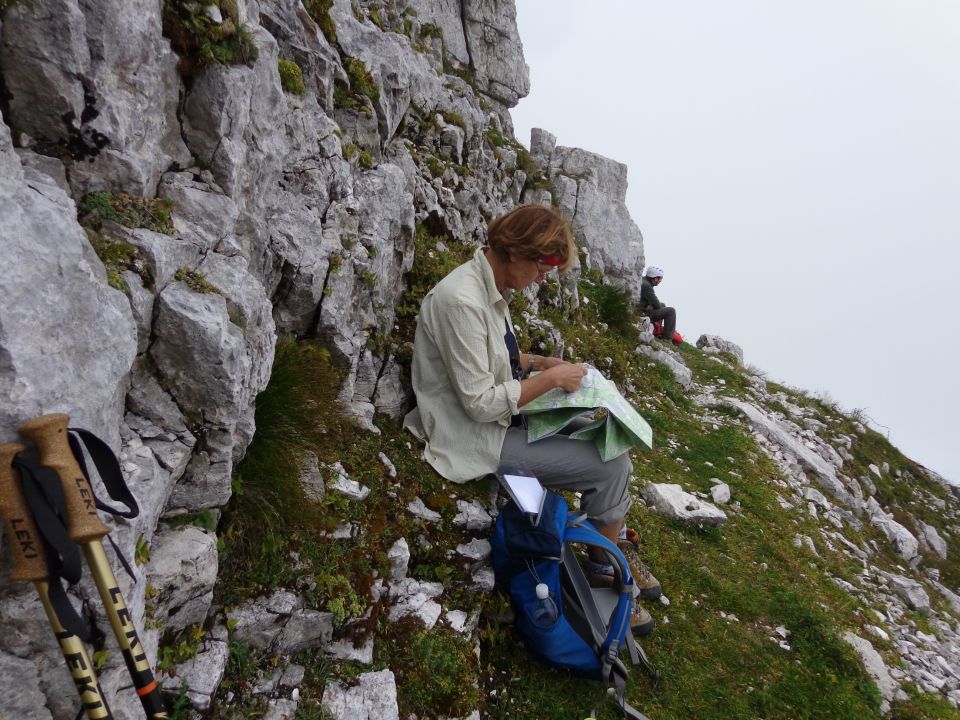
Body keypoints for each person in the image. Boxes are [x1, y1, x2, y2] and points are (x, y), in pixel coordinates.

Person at [403, 204, 661, 629]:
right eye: (543, 265)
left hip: (499, 420)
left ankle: (605, 553)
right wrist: (553, 380)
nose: (544, 276)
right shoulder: (461, 301)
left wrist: (537, 361)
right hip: (473, 436)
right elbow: (479, 403)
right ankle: (603, 570)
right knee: (611, 464)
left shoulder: (491, 287)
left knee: (606, 436)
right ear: (516, 251)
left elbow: (487, 357)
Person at [640, 266, 677, 343]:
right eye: (659, 278)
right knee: (671, 311)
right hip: (643, 313)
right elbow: (657, 305)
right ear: (654, 278)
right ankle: (667, 339)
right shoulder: (647, 286)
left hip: (642, 308)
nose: (660, 280)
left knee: (663, 305)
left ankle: (656, 329)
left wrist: (650, 305)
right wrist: (650, 306)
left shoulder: (644, 280)